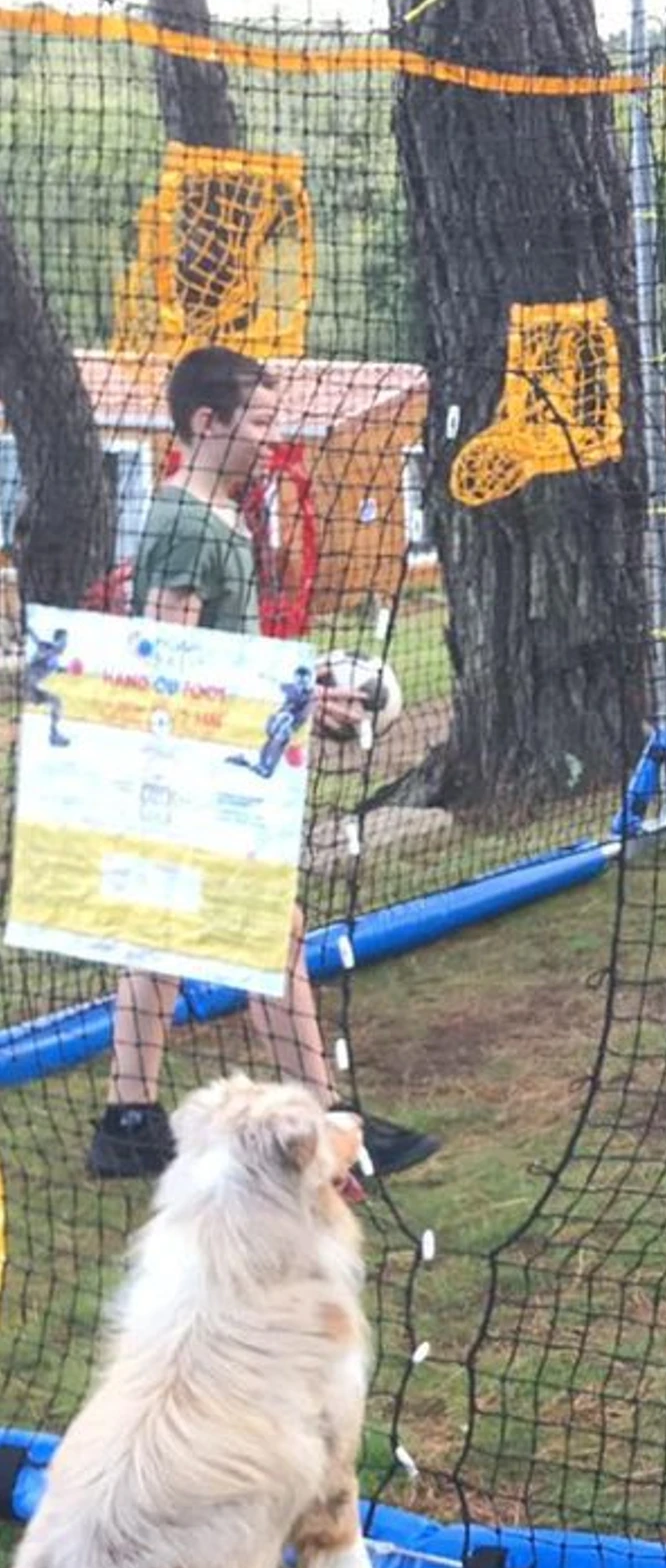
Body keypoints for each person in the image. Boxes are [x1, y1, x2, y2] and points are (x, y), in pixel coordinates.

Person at [87, 347, 440, 1182]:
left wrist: (299, 691)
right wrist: (295, 708)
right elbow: (173, 664)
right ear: (206, 422)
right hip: (199, 771)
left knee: (171, 933)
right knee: (270, 936)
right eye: (261, 421)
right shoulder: (184, 525)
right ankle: (325, 1124)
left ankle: (129, 1121)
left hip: (208, 763)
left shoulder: (217, 517)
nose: (271, 438)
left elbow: (221, 656)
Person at [24, 627, 70, 747]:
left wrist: (65, 669)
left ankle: (54, 735)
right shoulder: (47, 648)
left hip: (31, 689)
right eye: (64, 640)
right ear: (57, 640)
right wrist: (30, 630)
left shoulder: (55, 660)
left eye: (66, 640)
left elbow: (53, 666)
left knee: (56, 701)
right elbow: (38, 643)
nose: (65, 643)